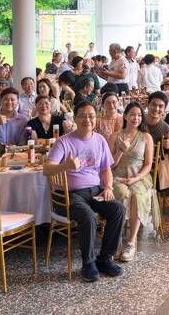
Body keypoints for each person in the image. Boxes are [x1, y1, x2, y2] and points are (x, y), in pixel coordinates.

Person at [44, 101, 125, 282]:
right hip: (68, 196)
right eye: (83, 116)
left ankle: (104, 259)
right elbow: (46, 169)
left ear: (96, 118)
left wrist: (109, 187)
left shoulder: (100, 140)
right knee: (87, 215)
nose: (87, 119)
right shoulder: (63, 142)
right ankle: (88, 264)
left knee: (118, 210)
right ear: (75, 117)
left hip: (95, 191)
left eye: (91, 116)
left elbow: (105, 169)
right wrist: (66, 165)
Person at [109, 102, 155, 261]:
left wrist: (136, 178)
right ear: (125, 116)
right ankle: (116, 239)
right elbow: (109, 165)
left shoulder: (146, 137)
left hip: (139, 176)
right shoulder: (115, 136)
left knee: (137, 195)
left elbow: (148, 164)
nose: (136, 118)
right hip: (118, 175)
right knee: (121, 192)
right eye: (133, 114)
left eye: (139, 115)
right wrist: (120, 151)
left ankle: (131, 241)